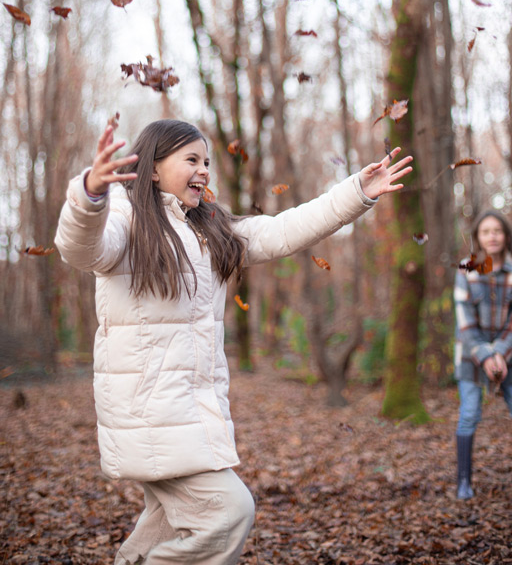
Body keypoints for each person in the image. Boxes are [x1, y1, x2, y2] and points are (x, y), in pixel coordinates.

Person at [55, 119, 412, 564]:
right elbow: (79, 247)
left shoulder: (210, 228)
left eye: (206, 161)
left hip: (190, 414)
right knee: (229, 512)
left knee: (167, 525)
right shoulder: (125, 221)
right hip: (151, 415)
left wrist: (356, 192)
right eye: (191, 159)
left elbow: (282, 230)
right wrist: (90, 193)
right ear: (153, 168)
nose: (204, 170)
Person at [454, 210, 512, 500]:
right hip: (471, 354)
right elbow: (464, 321)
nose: (492, 236)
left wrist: (499, 352)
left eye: (497, 230)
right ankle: (463, 482)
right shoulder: (466, 267)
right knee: (469, 413)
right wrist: (485, 355)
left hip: (510, 354)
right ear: (478, 237)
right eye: (486, 231)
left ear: (506, 235)